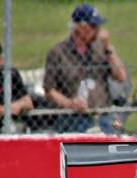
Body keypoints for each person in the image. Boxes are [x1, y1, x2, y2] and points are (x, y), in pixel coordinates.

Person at [43, 3, 127, 133]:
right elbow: (49, 90)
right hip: (72, 118)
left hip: (103, 115)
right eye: (93, 26)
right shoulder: (58, 52)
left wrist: (108, 49)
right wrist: (70, 104)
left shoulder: (101, 49)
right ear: (79, 27)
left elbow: (121, 76)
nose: (98, 30)